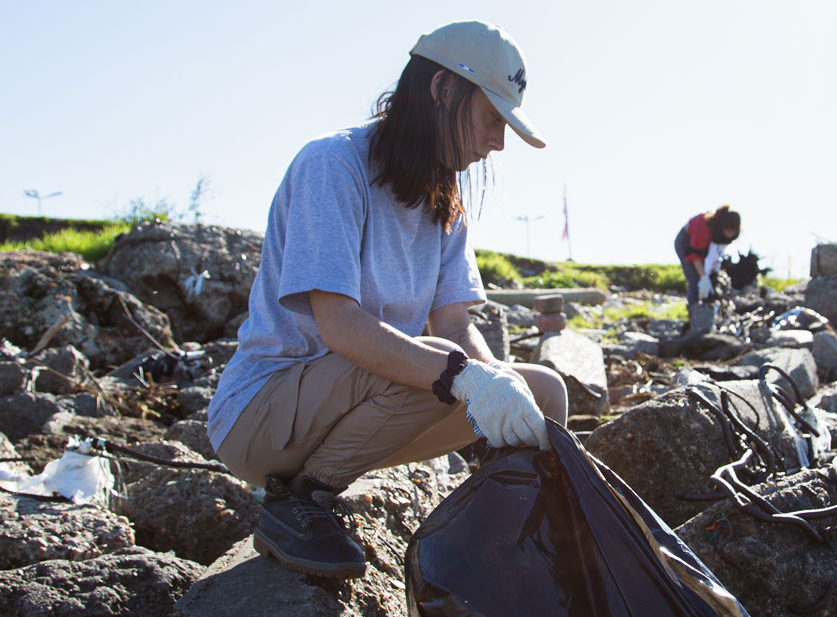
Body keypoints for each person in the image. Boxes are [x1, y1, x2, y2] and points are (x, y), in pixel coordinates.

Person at [206, 20, 568, 579]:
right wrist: (472, 378)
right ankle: (299, 499)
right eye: (492, 119)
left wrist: (502, 386)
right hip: (263, 419)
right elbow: (341, 328)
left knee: (542, 389)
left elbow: (453, 325)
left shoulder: (445, 204)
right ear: (443, 90)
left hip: (366, 413)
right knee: (448, 372)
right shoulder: (333, 165)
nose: (497, 143)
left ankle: (512, 539)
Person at [674, 206, 741, 303]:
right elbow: (694, 254)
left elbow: (716, 253)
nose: (730, 234)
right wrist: (703, 276)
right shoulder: (704, 226)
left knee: (712, 277)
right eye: (728, 231)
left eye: (733, 232)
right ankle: (695, 310)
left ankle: (710, 305)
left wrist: (714, 267)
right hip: (686, 242)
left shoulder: (725, 234)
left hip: (704, 246)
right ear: (722, 226)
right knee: (695, 278)